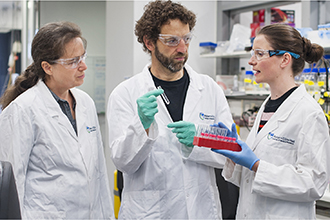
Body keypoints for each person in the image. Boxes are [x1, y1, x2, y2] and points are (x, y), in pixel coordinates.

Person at [107, 0, 236, 219]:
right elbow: (123, 162)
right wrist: (142, 126)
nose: (183, 49)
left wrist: (199, 138)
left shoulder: (209, 89)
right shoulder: (125, 93)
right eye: (172, 41)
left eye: (186, 39)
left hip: (200, 209)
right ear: (149, 42)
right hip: (151, 212)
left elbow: (230, 150)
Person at [212, 23, 330, 219]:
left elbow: (314, 183)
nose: (251, 61)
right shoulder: (267, 106)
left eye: (259, 53)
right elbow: (250, 180)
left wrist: (257, 164)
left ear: (285, 59)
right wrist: (235, 155)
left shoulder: (309, 113)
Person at [0, 21, 114, 219]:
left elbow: (99, 173)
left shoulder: (86, 103)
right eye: (73, 61)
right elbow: (12, 184)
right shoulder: (23, 110)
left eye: (83, 57)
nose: (83, 66)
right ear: (47, 67)